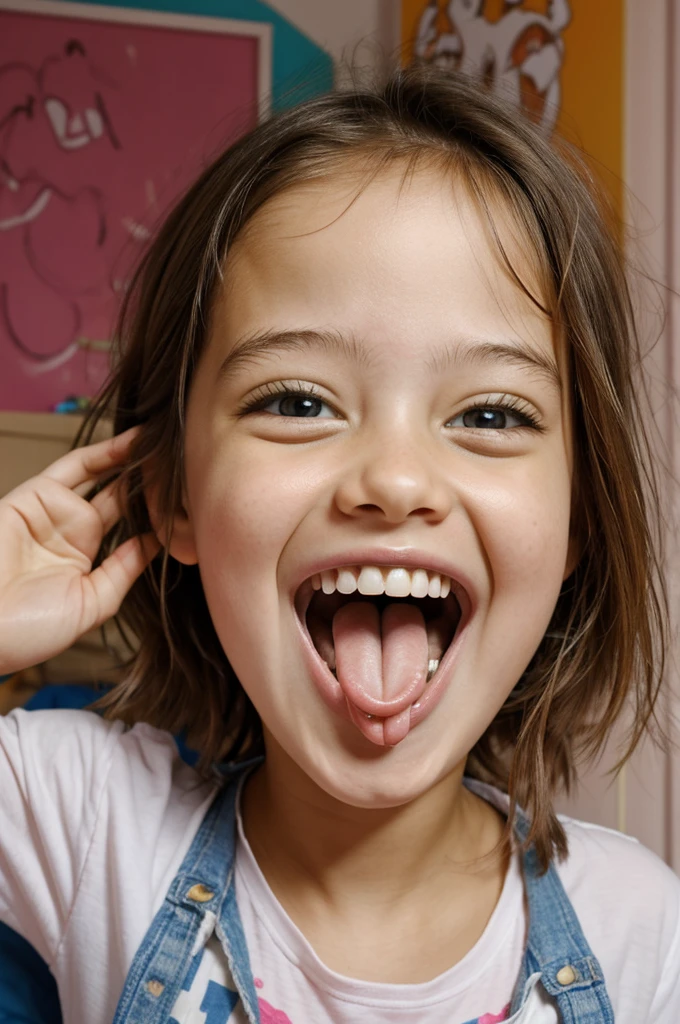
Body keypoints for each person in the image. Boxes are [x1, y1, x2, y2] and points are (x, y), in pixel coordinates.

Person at [0, 66, 678, 1024]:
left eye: (489, 411)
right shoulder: (80, 822)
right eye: (297, 401)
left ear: (578, 522)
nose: (394, 481)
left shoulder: (645, 935)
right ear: (175, 496)